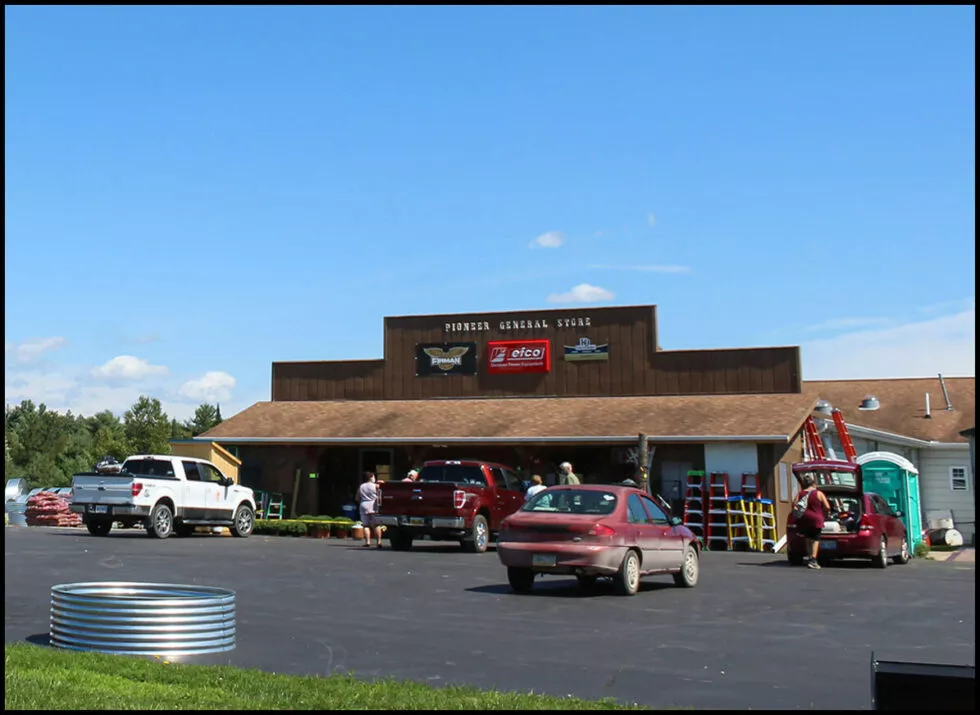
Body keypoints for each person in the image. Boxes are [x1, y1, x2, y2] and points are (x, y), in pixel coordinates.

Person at [795, 475, 831, 569]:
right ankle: (813, 560)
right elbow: (827, 507)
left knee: (807, 538)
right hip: (816, 518)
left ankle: (810, 557)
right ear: (813, 483)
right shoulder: (818, 493)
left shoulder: (801, 493)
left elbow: (794, 504)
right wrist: (825, 513)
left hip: (804, 518)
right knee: (816, 539)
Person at [357, 471, 384, 548]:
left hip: (364, 505)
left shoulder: (361, 486)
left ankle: (367, 541)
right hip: (373, 505)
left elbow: (357, 497)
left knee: (366, 525)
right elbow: (380, 495)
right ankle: (379, 541)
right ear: (371, 477)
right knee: (376, 525)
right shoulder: (376, 486)